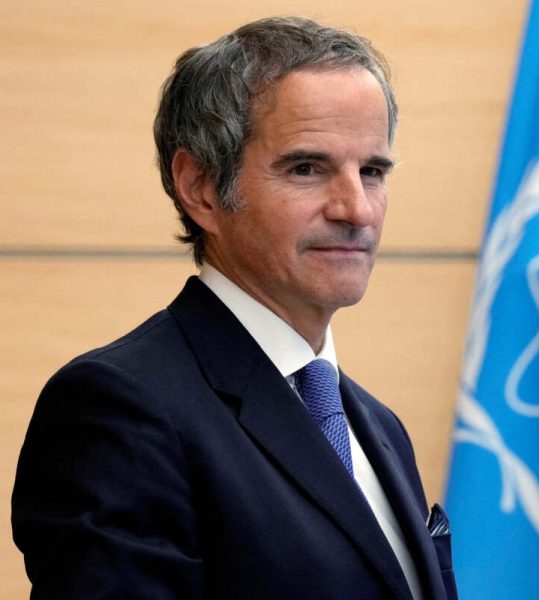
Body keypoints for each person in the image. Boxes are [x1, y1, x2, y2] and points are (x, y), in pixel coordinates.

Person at [12, 17, 457, 599]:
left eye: (372, 171)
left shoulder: (379, 427)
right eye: (307, 168)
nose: (357, 209)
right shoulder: (119, 410)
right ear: (200, 187)